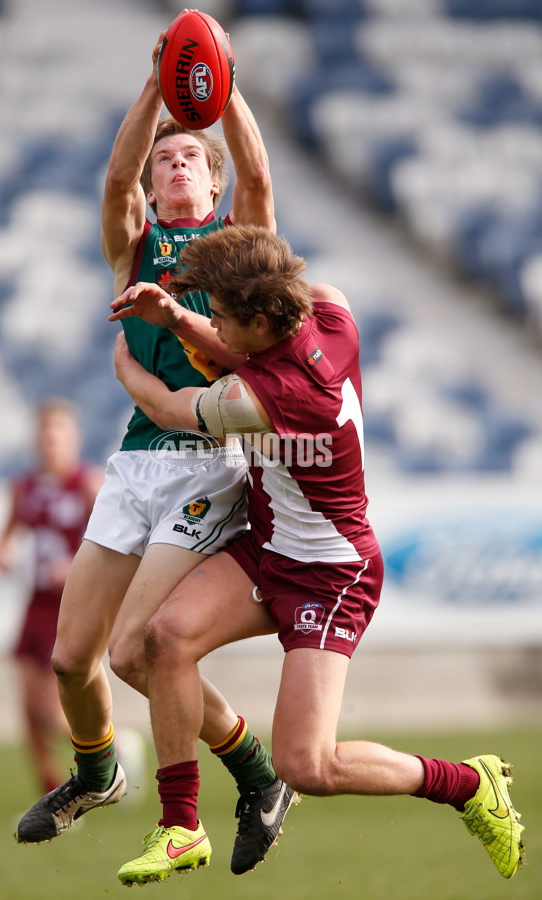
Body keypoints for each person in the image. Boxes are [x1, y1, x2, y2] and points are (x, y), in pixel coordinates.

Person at [109, 224, 525, 885]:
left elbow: (165, 406)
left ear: (262, 318)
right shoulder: (329, 306)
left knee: (308, 767)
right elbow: (245, 347)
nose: (214, 323)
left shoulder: (263, 400)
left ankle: (467, 784)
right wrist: (184, 316)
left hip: (331, 576)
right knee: (165, 635)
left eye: (222, 315)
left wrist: (126, 360)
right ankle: (181, 825)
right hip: (269, 549)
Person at [16, 25, 297, 876]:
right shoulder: (133, 244)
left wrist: (226, 85)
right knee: (73, 660)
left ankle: (248, 776)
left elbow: (257, 175)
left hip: (207, 465)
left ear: (208, 182)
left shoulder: (237, 250)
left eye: (188, 158)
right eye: (163, 159)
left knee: (140, 651)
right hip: (136, 461)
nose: (173, 164)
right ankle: (99, 773)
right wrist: (155, 86)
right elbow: (113, 178)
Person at [0, 398, 104, 795]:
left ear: (73, 439)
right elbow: (6, 537)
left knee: (53, 714)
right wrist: (1, 554)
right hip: (35, 602)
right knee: (27, 705)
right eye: (43, 434)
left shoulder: (89, 485)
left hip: (71, 604)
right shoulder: (23, 487)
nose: (49, 442)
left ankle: (115, 748)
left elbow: (112, 544)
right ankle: (49, 786)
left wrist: (73, 566)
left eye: (57, 433)